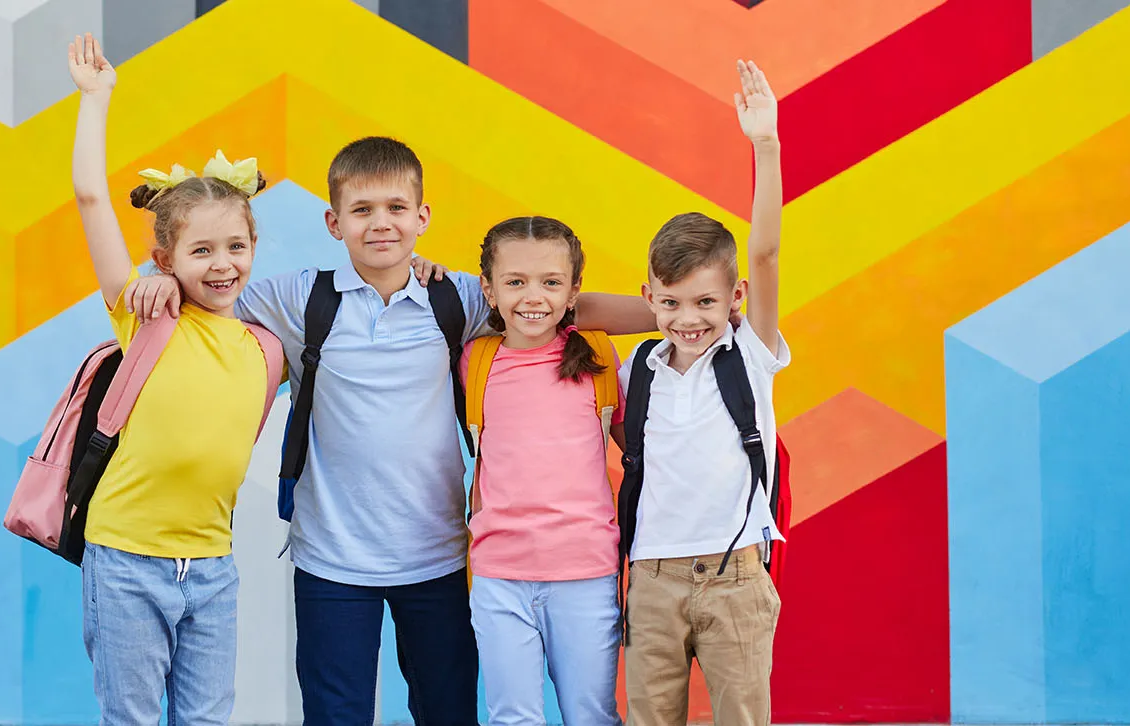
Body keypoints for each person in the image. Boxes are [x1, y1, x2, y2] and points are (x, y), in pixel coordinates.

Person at [123, 136, 655, 724]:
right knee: (335, 714)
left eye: (397, 209)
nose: (381, 224)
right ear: (333, 222)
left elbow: (562, 307)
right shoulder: (300, 299)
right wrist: (165, 282)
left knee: (447, 711)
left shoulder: (456, 296)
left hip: (440, 557)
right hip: (330, 560)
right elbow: (212, 296)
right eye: (362, 210)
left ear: (422, 217)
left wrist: (678, 310)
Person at [67, 32, 277, 725]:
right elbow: (91, 198)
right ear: (165, 257)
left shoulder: (264, 346)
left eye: (236, 247)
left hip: (213, 569)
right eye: (201, 250)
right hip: (127, 561)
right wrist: (96, 100)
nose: (223, 264)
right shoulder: (147, 316)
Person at [618, 60, 787, 726]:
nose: (688, 319)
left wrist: (765, 146)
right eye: (670, 302)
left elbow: (766, 253)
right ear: (648, 298)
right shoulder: (638, 367)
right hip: (651, 582)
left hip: (734, 580)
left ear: (736, 298)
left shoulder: (748, 354)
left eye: (706, 302)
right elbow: (563, 307)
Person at [462, 215, 625, 725]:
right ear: (487, 289)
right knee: (513, 717)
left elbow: (641, 450)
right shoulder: (474, 361)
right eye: (515, 282)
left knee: (591, 715)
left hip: (586, 573)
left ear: (575, 290)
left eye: (551, 282)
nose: (533, 296)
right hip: (498, 575)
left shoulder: (598, 356)